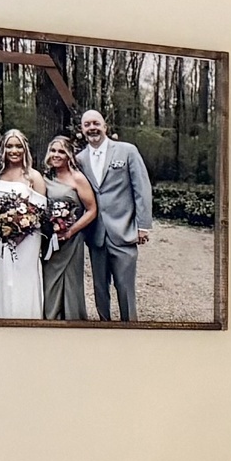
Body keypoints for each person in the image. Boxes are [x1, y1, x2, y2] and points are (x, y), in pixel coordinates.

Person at [76, 107, 154, 323]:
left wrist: (143, 225)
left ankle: (130, 329)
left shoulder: (127, 151)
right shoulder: (79, 159)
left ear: (105, 127)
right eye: (87, 125)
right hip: (96, 234)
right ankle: (104, 328)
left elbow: (142, 188)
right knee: (100, 288)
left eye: (96, 123)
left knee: (125, 287)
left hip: (124, 231)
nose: (92, 128)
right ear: (82, 130)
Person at [0, 129, 48, 319]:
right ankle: (4, 316)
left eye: (18, 146)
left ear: (25, 149)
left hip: (28, 238)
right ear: (3, 149)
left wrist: (22, 228)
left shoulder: (33, 176)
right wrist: (0, 225)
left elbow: (40, 211)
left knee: (25, 276)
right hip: (3, 237)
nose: (14, 150)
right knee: (6, 277)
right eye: (9, 146)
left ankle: (29, 318)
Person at [40, 132, 97, 320]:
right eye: (53, 151)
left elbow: (91, 210)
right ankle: (51, 318)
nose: (56, 155)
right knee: (49, 279)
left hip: (72, 238)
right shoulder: (45, 178)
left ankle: (73, 319)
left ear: (69, 155)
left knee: (71, 280)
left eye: (61, 152)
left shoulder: (78, 178)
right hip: (50, 240)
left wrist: (70, 230)